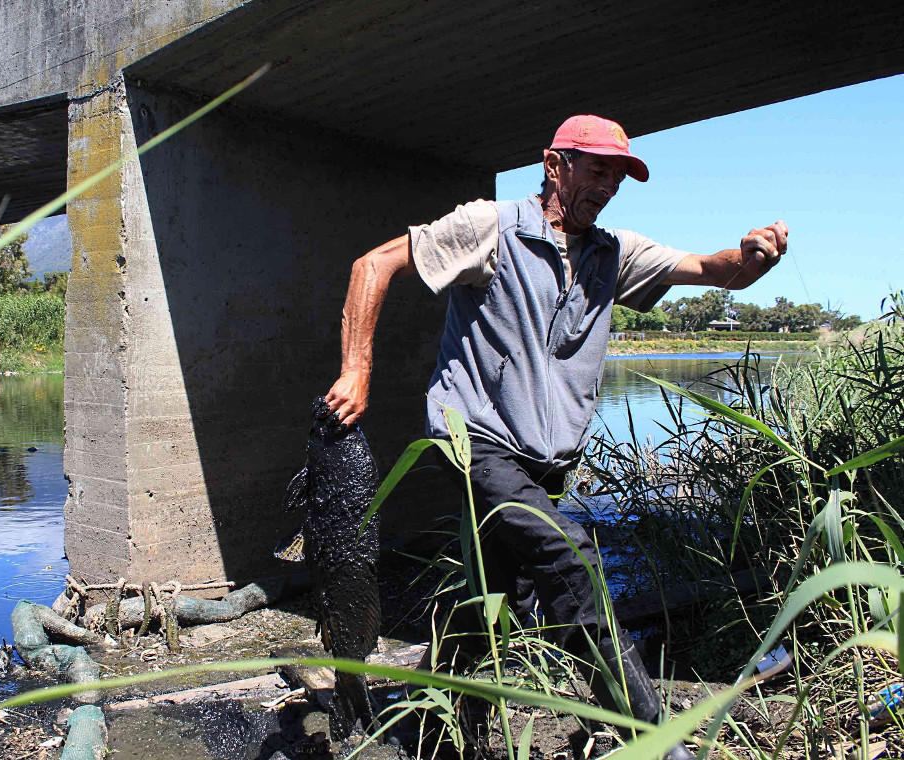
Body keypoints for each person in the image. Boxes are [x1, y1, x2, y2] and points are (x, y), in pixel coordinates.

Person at [322, 114, 788, 759]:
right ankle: (652, 738)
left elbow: (713, 269)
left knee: (488, 595)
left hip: (546, 462)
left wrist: (754, 256)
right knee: (573, 565)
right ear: (554, 164)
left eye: (619, 175)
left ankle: (436, 729)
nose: (608, 185)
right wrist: (356, 369)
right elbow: (373, 265)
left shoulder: (612, 254)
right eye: (597, 169)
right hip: (476, 443)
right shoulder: (489, 227)